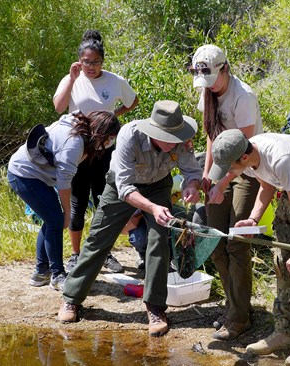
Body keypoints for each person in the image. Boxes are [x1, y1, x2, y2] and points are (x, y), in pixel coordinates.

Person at [57, 101, 203, 338]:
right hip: (121, 186)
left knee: (159, 240)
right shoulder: (130, 135)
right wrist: (152, 207)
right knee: (99, 239)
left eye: (175, 137)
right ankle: (71, 298)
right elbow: (124, 187)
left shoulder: (181, 138)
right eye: (167, 137)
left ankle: (155, 308)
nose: (172, 142)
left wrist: (192, 186)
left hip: (158, 185)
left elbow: (192, 172)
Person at [208, 129, 290, 364]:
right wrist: (253, 219)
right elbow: (267, 186)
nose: (229, 174)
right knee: (281, 261)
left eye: (230, 168)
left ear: (244, 158)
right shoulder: (248, 154)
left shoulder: (281, 159)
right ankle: (284, 332)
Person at [189, 44, 263, 340]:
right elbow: (212, 137)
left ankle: (239, 318)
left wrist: (222, 183)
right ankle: (235, 305)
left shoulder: (243, 97)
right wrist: (208, 177)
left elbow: (243, 153)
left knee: (236, 241)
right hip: (221, 165)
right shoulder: (206, 91)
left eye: (212, 78)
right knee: (215, 241)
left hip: (247, 166)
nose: (208, 85)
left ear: (225, 68)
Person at [53, 29, 139, 273]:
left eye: (96, 62)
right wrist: (71, 78)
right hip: (77, 151)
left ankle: (105, 253)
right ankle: (75, 254)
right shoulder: (72, 79)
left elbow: (133, 101)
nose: (90, 67)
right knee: (78, 203)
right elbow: (59, 107)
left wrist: (114, 115)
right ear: (79, 60)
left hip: (105, 152)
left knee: (105, 202)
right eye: (86, 62)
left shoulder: (114, 80)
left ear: (103, 61)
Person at [7, 111, 120, 291]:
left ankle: (40, 272)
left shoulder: (81, 129)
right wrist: (67, 213)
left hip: (37, 176)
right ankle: (57, 275)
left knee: (51, 219)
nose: (109, 143)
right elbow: (64, 184)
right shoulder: (74, 145)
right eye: (109, 138)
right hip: (23, 175)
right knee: (56, 221)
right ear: (100, 133)